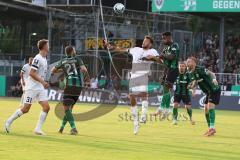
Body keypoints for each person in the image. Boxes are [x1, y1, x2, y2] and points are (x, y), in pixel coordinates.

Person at [105, 35, 159, 135]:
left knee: (143, 94)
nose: (144, 42)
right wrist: (111, 47)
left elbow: (160, 60)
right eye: (143, 40)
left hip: (143, 74)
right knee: (131, 97)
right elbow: (122, 49)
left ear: (150, 44)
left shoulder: (153, 51)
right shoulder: (136, 49)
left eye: (146, 41)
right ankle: (136, 122)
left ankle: (143, 114)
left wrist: (153, 57)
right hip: (134, 75)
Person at [5, 39, 50, 135]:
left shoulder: (45, 58)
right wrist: (43, 82)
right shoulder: (37, 58)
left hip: (40, 88)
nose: (49, 46)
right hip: (32, 87)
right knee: (25, 109)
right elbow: (31, 73)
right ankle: (8, 121)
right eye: (48, 44)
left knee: (46, 107)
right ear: (44, 47)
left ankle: (38, 129)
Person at [51, 46, 90, 135]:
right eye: (74, 50)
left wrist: (63, 70)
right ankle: (61, 128)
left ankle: (73, 128)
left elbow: (53, 70)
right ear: (72, 51)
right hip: (78, 87)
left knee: (66, 109)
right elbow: (84, 69)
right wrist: (88, 79)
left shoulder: (62, 61)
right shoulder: (78, 59)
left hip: (69, 87)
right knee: (69, 109)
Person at [187, 56, 221, 136]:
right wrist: (191, 87)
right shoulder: (190, 72)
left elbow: (212, 74)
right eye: (187, 61)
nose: (187, 63)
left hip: (214, 89)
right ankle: (210, 128)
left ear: (194, 63)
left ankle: (212, 128)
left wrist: (214, 79)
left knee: (210, 106)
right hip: (208, 92)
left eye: (189, 61)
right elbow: (195, 82)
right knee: (206, 109)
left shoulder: (200, 69)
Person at [149, 32, 180, 117]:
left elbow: (172, 57)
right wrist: (152, 58)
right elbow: (160, 59)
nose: (163, 40)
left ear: (169, 37)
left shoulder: (175, 45)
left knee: (166, 88)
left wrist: (163, 55)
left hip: (173, 69)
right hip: (167, 70)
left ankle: (162, 108)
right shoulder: (166, 48)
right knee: (166, 89)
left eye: (164, 38)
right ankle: (166, 109)